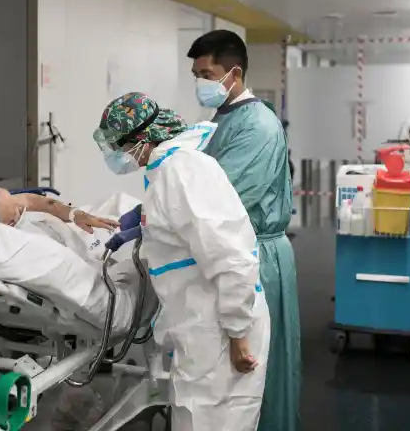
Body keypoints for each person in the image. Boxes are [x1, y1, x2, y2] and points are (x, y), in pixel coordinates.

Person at [94, 92, 270, 431]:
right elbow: (185, 225)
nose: (116, 155)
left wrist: (238, 334)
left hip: (223, 330)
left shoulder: (184, 170)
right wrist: (147, 222)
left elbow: (232, 257)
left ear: (142, 139)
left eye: (119, 145)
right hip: (202, 327)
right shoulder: (166, 170)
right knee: (194, 417)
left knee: (219, 420)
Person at [187, 30, 300, 431]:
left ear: (234, 73)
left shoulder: (259, 126)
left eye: (207, 74)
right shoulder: (222, 118)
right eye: (196, 75)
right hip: (232, 248)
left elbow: (222, 198)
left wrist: (161, 217)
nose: (200, 83)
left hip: (257, 256)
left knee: (257, 368)